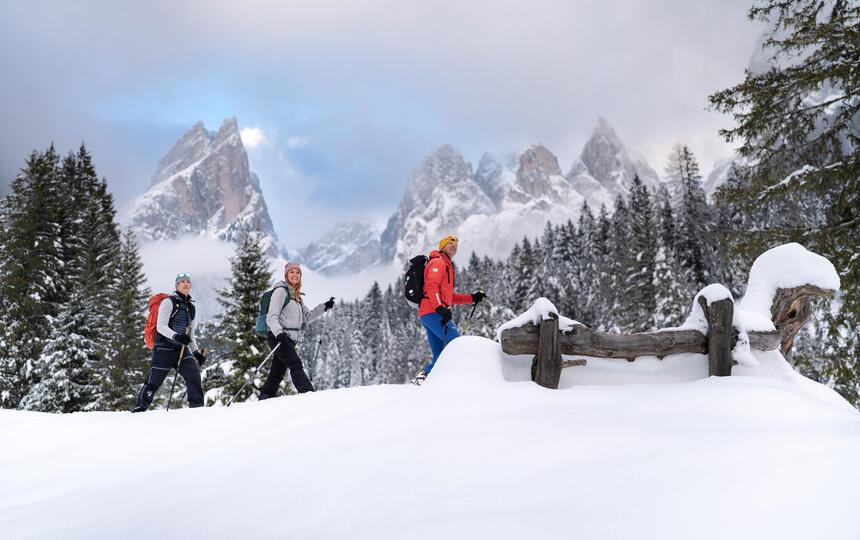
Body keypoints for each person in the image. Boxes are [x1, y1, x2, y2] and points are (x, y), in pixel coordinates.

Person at [413, 235, 485, 384]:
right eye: (450, 243)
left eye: (456, 243)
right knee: (457, 344)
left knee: (440, 354)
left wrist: (472, 298)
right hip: (433, 312)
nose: (454, 245)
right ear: (442, 246)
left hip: (429, 313)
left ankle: (423, 379)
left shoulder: (447, 265)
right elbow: (431, 286)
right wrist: (439, 307)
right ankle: (465, 380)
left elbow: (449, 297)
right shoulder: (439, 262)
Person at [132, 272, 207, 412]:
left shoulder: (191, 307)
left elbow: (190, 334)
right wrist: (176, 336)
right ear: (177, 285)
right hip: (164, 349)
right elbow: (161, 326)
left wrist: (196, 353)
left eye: (188, 281)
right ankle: (138, 410)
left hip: (182, 351)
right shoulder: (168, 302)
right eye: (182, 281)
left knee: (194, 375)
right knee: (153, 382)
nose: (185, 283)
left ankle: (197, 410)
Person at [260, 262, 335, 398]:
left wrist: (324, 306)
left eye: (298, 272)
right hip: (279, 337)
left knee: (276, 374)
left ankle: (264, 399)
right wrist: (279, 334)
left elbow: (307, 316)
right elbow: (271, 317)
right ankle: (309, 395)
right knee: (296, 364)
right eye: (291, 272)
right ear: (286, 274)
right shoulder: (281, 291)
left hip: (288, 338)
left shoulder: (296, 296)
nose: (295, 275)